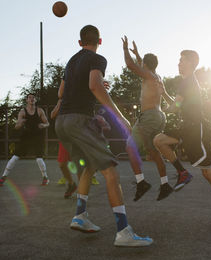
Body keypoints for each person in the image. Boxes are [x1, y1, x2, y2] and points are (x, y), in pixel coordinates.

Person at [55, 25, 152, 246]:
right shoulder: (98, 60)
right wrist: (118, 117)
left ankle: (80, 217)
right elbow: (94, 86)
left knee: (90, 167)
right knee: (110, 171)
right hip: (79, 121)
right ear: (100, 41)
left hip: (62, 122)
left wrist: (93, 93)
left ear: (79, 43)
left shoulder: (71, 61)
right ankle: (123, 232)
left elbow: (62, 92)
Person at [153, 50, 211, 223]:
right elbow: (178, 105)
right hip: (187, 128)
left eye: (182, 60)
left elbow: (175, 107)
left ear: (191, 63)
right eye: (179, 60)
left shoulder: (188, 82)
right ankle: (182, 173)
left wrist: (158, 111)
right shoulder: (186, 83)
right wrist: (164, 93)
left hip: (196, 130)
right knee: (159, 141)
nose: (178, 63)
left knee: (207, 172)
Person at [121, 36, 172, 201]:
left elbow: (130, 65)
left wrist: (125, 49)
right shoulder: (157, 77)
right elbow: (144, 66)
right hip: (158, 117)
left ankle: (141, 183)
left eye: (143, 63)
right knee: (152, 151)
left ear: (147, 65)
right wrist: (138, 54)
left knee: (130, 147)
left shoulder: (149, 76)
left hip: (149, 117)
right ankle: (165, 184)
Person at [0, 94, 50, 186]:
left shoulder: (40, 110)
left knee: (39, 158)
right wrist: (20, 123)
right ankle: (3, 176)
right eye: (30, 98)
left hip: (37, 136)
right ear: (27, 100)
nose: (32, 99)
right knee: (15, 156)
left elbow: (47, 123)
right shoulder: (22, 112)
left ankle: (45, 177)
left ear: (35, 100)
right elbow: (16, 126)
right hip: (26, 136)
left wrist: (43, 125)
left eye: (33, 97)